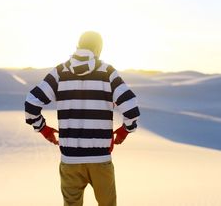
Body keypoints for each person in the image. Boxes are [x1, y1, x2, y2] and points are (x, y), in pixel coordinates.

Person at [24, 31, 140, 206]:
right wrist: (125, 130)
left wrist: (44, 129)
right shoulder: (107, 72)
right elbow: (131, 107)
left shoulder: (60, 72)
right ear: (98, 49)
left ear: (78, 45)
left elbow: (31, 103)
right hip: (100, 159)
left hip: (70, 160)